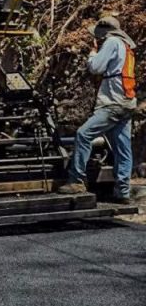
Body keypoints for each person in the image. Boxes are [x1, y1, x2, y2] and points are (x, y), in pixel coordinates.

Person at [58, 16, 137, 204]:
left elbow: (95, 67)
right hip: (127, 102)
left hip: (112, 103)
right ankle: (122, 192)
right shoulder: (125, 45)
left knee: (83, 134)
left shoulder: (111, 42)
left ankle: (76, 181)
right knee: (122, 149)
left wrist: (93, 52)